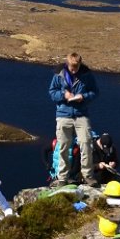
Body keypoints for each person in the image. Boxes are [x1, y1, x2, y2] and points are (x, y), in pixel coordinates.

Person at [48, 52, 100, 187]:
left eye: (76, 68)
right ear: (67, 64)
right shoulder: (59, 74)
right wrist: (64, 94)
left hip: (81, 114)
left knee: (86, 143)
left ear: (80, 64)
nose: (74, 71)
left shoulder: (86, 75)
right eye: (72, 68)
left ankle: (88, 176)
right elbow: (52, 93)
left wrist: (84, 97)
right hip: (63, 115)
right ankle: (62, 177)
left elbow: (95, 92)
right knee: (63, 146)